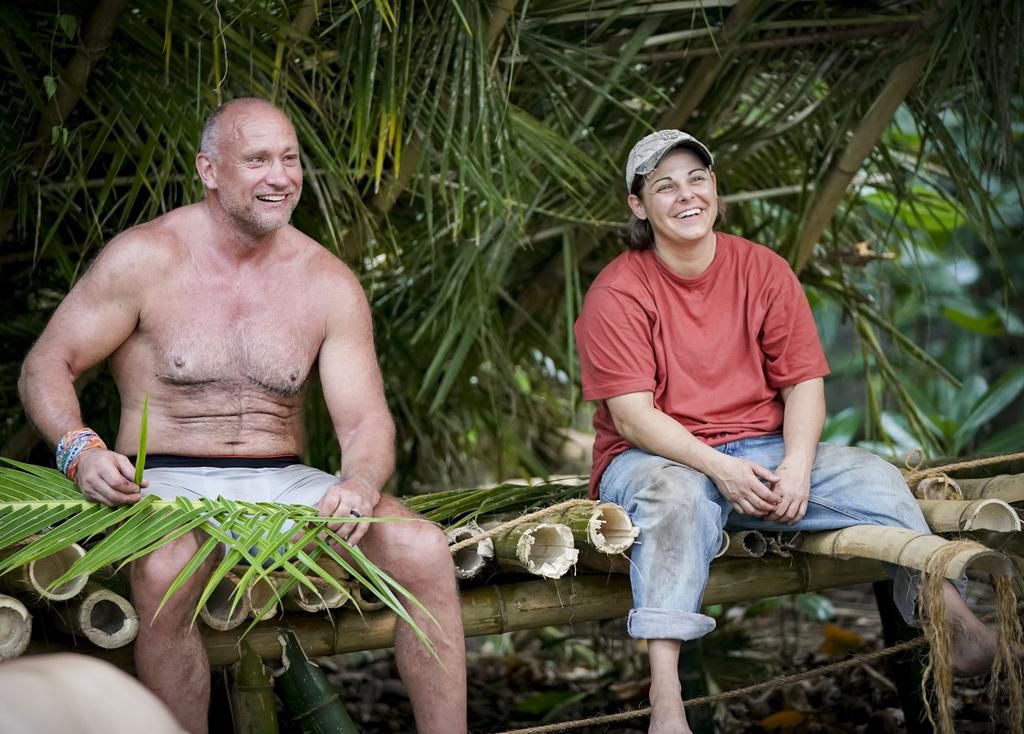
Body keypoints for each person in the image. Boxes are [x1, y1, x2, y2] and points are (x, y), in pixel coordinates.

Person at [18, 97, 467, 734]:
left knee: (424, 547)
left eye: (290, 159)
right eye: (257, 160)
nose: (280, 176)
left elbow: (366, 423)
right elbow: (46, 365)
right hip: (162, 482)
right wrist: (79, 449)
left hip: (284, 481)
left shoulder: (326, 281)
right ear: (209, 170)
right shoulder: (146, 258)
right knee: (166, 568)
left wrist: (360, 483)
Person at [574, 129, 1002, 734]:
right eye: (664, 186)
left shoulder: (762, 269)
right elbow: (632, 416)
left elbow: (803, 383)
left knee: (874, 477)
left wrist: (798, 464)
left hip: (762, 451)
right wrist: (718, 467)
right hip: (652, 458)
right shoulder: (618, 291)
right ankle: (665, 698)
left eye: (697, 179)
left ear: (716, 189)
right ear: (639, 206)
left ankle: (950, 619)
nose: (686, 195)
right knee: (677, 496)